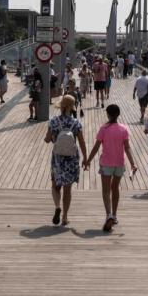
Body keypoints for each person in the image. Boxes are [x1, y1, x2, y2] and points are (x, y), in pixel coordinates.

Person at [83, 104, 137, 232]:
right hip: (119, 163)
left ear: (107, 114)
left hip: (106, 163)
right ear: (118, 115)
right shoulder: (123, 129)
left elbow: (96, 147)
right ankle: (115, 215)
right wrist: (133, 163)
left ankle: (108, 215)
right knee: (115, 189)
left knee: (106, 191)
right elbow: (127, 148)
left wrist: (88, 161)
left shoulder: (104, 129)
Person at [44, 95, 88, 227]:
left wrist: (52, 138)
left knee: (55, 186)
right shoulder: (75, 123)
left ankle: (57, 206)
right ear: (72, 108)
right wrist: (86, 158)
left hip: (58, 159)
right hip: (71, 160)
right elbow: (81, 142)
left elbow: (47, 139)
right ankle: (65, 217)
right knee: (67, 190)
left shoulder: (53, 121)